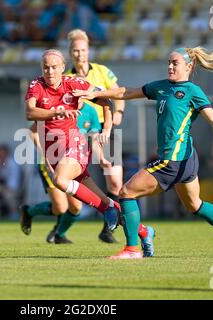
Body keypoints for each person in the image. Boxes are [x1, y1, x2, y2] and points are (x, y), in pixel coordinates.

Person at [73, 42, 213, 259]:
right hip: (186, 159)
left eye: (174, 63)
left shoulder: (193, 91)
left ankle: (132, 249)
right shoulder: (162, 86)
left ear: (188, 66)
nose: (170, 67)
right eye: (168, 62)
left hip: (173, 161)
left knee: (126, 193)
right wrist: (97, 93)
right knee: (195, 204)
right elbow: (127, 91)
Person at [63, 28, 155, 250]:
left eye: (83, 50)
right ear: (70, 52)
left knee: (115, 181)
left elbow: (118, 95)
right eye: (75, 50)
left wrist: (116, 117)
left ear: (88, 50)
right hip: (79, 134)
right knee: (80, 183)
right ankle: (77, 222)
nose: (79, 54)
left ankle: (108, 226)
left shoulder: (102, 71)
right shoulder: (67, 77)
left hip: (106, 130)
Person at [20, 49, 120, 244]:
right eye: (45, 67)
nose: (49, 72)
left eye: (54, 67)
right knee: (69, 204)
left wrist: (107, 129)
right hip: (53, 153)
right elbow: (30, 113)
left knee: (63, 187)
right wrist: (54, 113)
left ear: (63, 68)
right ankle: (139, 229)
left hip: (75, 146)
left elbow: (105, 100)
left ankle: (60, 233)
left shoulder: (74, 85)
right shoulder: (36, 85)